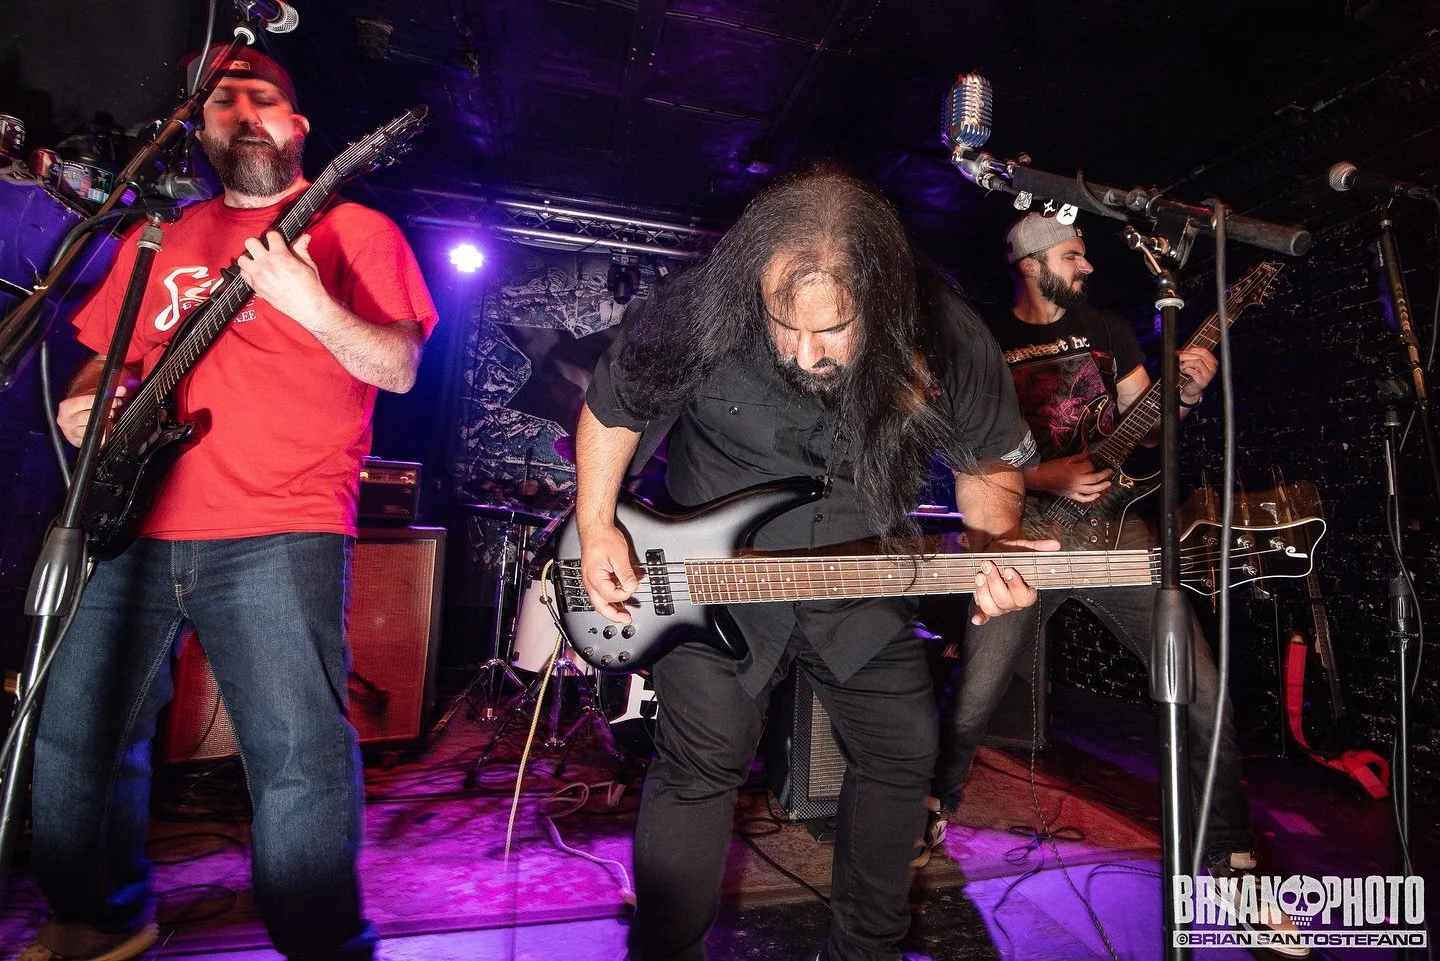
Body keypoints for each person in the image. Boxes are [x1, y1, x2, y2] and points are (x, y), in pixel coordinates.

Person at [576, 165, 1054, 961]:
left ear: (879, 295)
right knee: (700, 763)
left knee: (901, 749)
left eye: (832, 330)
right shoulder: (696, 305)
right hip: (712, 583)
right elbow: (613, 406)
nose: (805, 352)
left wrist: (995, 549)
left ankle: (863, 952)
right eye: (783, 325)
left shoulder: (942, 327)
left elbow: (989, 457)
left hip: (859, 571)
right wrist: (595, 523)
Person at [23, 45, 437, 961]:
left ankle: (324, 943)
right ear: (197, 127)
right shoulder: (157, 236)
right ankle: (100, 917)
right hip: (130, 525)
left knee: (297, 758)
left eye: (262, 97)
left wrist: (311, 303)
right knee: (79, 735)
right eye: (221, 100)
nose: (243, 112)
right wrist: (90, 398)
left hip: (280, 527)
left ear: (298, 126)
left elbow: (398, 366)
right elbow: (105, 358)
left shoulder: (355, 230)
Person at [929, 211, 1306, 956]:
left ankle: (1232, 863)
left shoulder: (1107, 329)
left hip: (1119, 533)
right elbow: (961, 452)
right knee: (974, 693)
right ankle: (931, 804)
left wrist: (1185, 394)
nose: (1089, 266)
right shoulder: (985, 338)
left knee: (1202, 691)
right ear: (1033, 263)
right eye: (1074, 255)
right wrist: (1046, 475)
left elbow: (1148, 424)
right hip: (1026, 532)